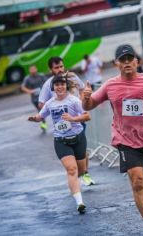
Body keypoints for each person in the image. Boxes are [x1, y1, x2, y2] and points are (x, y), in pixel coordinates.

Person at [82, 44, 143, 236]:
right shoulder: (110, 85)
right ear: (116, 63)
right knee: (137, 182)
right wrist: (85, 98)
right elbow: (90, 104)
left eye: (130, 59)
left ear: (137, 62)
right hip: (125, 141)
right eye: (122, 60)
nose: (127, 63)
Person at [28, 74, 91, 214]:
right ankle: (79, 202)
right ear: (53, 87)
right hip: (61, 141)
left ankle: (76, 184)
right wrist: (35, 119)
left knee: (80, 171)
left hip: (78, 138)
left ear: (66, 86)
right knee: (71, 170)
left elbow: (87, 116)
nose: (60, 87)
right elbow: (41, 116)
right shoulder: (50, 103)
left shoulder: (74, 100)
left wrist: (73, 119)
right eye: (57, 85)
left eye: (62, 84)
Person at [39, 56, 95, 186]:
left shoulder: (73, 77)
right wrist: (53, 110)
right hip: (62, 123)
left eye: (61, 66)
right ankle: (74, 174)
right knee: (69, 153)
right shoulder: (48, 84)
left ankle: (85, 174)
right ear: (51, 69)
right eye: (56, 67)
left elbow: (82, 89)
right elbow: (42, 104)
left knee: (82, 148)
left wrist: (81, 102)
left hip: (78, 118)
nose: (59, 70)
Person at [21, 65, 48, 131]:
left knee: (42, 110)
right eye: (31, 69)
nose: (33, 70)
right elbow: (23, 87)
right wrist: (30, 91)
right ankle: (44, 122)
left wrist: (45, 89)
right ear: (29, 71)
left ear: (36, 69)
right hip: (34, 98)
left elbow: (48, 82)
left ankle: (44, 123)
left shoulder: (41, 75)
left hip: (43, 97)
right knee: (40, 110)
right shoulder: (27, 78)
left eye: (34, 69)